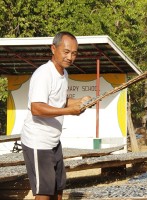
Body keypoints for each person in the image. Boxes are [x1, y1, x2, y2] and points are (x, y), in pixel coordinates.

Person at [21, 32, 91, 200]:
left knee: (58, 189)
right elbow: (37, 108)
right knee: (44, 192)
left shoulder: (63, 74)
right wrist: (70, 111)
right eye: (66, 52)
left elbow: (59, 101)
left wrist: (80, 101)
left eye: (74, 53)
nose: (70, 57)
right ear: (53, 49)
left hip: (53, 141)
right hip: (38, 142)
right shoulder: (44, 74)